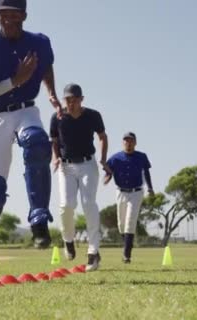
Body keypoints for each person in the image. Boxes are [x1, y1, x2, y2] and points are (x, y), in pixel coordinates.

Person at [0, 0, 62, 277]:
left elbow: (46, 66)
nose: (9, 20)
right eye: (3, 15)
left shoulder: (40, 42)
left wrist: (51, 92)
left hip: (26, 110)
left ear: (24, 15)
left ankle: (38, 218)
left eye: (14, 15)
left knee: (37, 143)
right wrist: (16, 80)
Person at [50, 83, 108, 271]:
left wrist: (103, 159)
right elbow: (55, 141)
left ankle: (93, 252)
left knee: (88, 203)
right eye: (68, 100)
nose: (71, 103)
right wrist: (55, 158)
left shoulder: (93, 116)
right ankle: (68, 240)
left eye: (75, 100)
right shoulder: (57, 117)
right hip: (66, 166)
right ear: (64, 100)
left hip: (87, 164)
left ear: (81, 99)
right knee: (66, 205)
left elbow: (102, 136)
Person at [104, 132, 153, 263]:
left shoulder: (141, 157)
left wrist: (150, 188)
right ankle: (127, 244)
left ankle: (127, 255)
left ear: (135, 142)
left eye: (131, 140)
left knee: (130, 221)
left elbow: (146, 172)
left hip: (136, 192)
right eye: (126, 140)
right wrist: (107, 178)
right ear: (123, 142)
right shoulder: (115, 158)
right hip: (121, 192)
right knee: (121, 224)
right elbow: (109, 171)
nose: (128, 143)